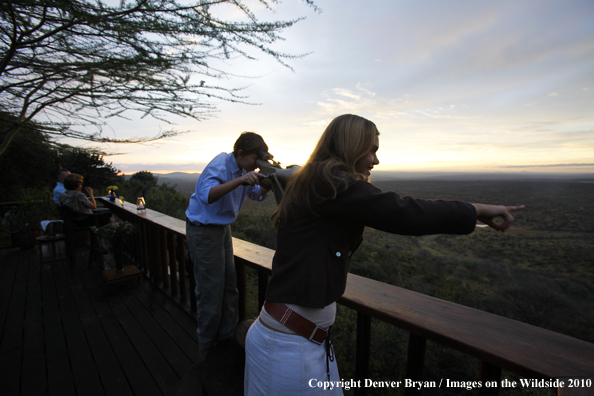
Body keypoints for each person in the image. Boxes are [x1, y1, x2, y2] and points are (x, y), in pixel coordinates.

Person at [244, 114, 525, 395]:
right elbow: (403, 212)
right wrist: (475, 210)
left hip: (301, 340)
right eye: (372, 149)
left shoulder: (314, 179)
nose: (375, 161)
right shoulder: (329, 183)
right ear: (350, 146)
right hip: (287, 348)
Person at [185, 132, 270, 357]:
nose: (257, 164)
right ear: (240, 153)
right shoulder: (220, 164)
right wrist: (241, 180)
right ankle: (206, 347)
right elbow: (207, 194)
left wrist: (270, 182)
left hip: (223, 230)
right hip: (204, 232)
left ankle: (225, 336)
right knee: (210, 292)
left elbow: (255, 194)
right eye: (255, 158)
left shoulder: (243, 168)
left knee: (230, 288)